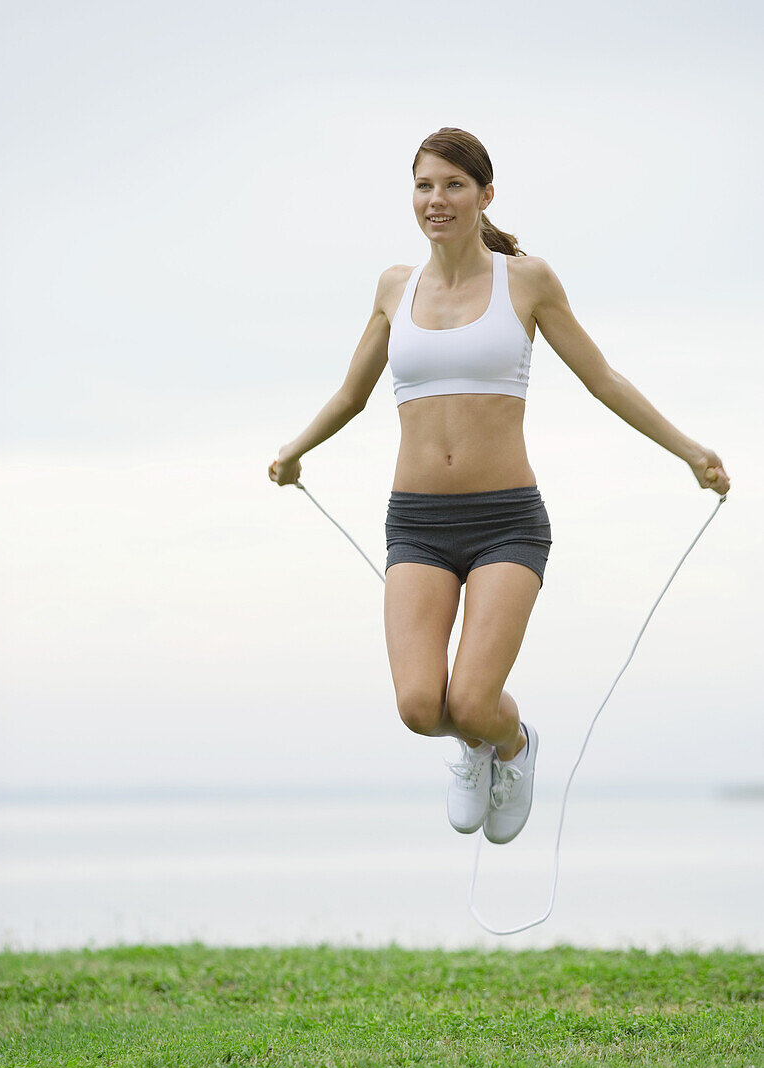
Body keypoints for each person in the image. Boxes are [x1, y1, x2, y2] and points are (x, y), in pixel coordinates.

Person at [268, 126, 731, 845]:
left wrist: (691, 453)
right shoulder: (396, 286)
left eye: (454, 185)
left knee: (476, 700)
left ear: (486, 195)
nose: (438, 199)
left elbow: (602, 378)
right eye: (425, 185)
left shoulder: (527, 280)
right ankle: (476, 748)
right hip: (416, 523)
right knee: (423, 706)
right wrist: (294, 452)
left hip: (507, 522)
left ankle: (511, 746)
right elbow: (352, 395)